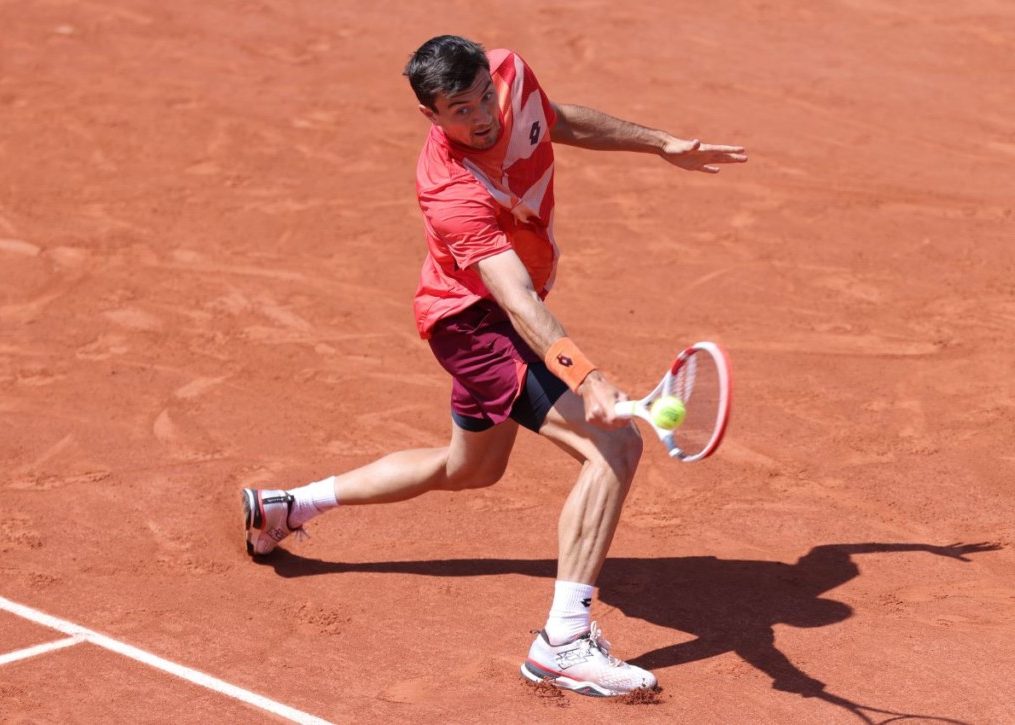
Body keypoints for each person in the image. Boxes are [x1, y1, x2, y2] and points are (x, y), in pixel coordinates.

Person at [241, 35, 746, 697]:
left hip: (502, 315)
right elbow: (516, 299)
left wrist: (660, 142)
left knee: (470, 468)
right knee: (614, 445)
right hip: (475, 325)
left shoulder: (509, 75)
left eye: (485, 95)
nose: (483, 114)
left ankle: (287, 506)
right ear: (432, 117)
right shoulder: (449, 189)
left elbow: (558, 120)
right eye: (460, 108)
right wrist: (587, 376)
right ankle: (562, 642)